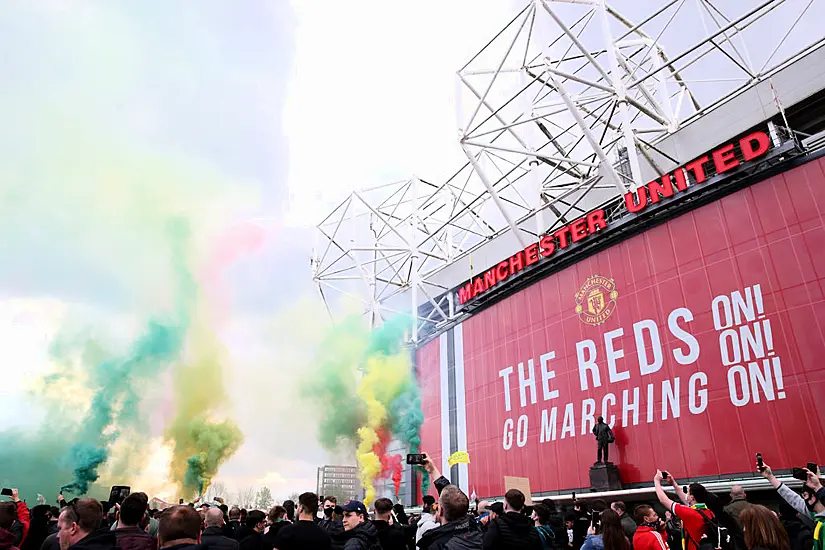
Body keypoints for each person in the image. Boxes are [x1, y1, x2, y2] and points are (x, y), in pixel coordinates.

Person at [654, 470, 740, 550]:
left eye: (687, 492)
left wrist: (656, 481)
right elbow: (687, 500)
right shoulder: (708, 511)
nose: (686, 494)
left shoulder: (690, 514)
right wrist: (673, 483)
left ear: (692, 497)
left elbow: (663, 500)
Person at [417, 453, 484, 550]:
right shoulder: (478, 532)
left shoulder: (437, 545)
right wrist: (433, 470)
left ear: (441, 511)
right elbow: (450, 495)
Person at [758, 461, 824, 550]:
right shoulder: (817, 517)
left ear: (813, 498)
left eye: (805, 495)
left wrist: (818, 487)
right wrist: (771, 478)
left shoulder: (822, 524)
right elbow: (793, 499)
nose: (803, 500)